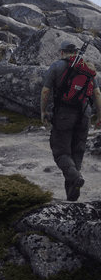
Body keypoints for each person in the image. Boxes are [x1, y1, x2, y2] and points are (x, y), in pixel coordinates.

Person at [40, 40, 101, 201]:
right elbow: (97, 94)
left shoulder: (55, 66)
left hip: (63, 114)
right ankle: (72, 190)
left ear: (62, 52)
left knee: (61, 152)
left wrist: (43, 110)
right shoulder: (87, 68)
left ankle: (74, 178)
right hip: (85, 114)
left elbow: (46, 90)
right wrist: (100, 116)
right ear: (75, 51)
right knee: (77, 151)